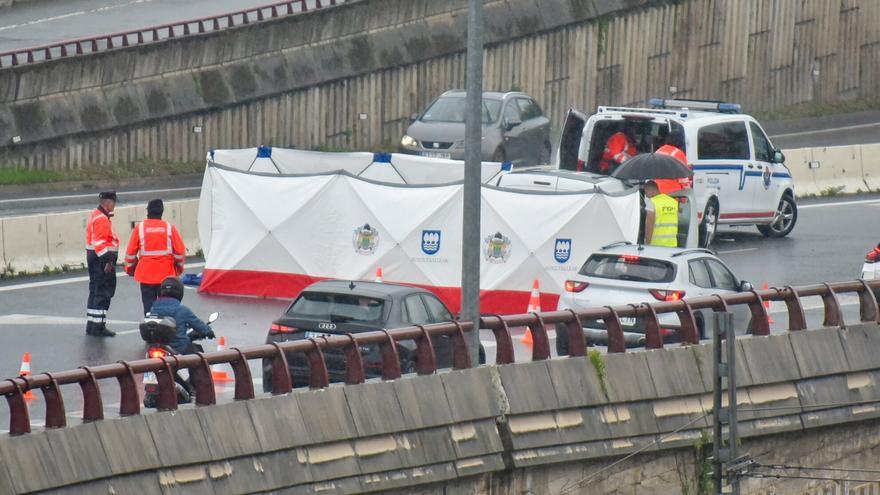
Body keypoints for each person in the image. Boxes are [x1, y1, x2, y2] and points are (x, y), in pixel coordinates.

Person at [125, 199, 187, 315]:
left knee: (149, 308)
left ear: (148, 212)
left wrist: (131, 269)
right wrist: (178, 269)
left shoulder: (140, 228)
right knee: (166, 307)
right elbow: (180, 252)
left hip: (146, 275)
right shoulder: (169, 228)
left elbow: (130, 254)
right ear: (162, 212)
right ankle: (165, 328)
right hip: (166, 275)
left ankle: (150, 327)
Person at [148, 277, 214, 354]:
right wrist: (208, 331)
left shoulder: (153, 309)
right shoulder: (182, 310)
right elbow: (199, 325)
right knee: (199, 355)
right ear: (179, 292)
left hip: (158, 347)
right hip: (179, 347)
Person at [85, 192, 119, 337]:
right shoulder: (102, 219)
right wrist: (108, 262)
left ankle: (92, 325)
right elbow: (100, 244)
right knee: (103, 293)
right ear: (107, 203)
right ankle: (98, 327)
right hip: (101, 261)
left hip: (94, 259)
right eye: (114, 202)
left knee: (95, 291)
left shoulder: (96, 215)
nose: (115, 205)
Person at [644, 180, 679, 247]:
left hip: (656, 245)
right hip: (672, 244)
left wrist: (647, 243)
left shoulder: (652, 202)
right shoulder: (673, 202)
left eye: (646, 192)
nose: (646, 195)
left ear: (650, 190)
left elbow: (649, 226)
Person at [655, 128, 689, 193]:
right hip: (672, 192)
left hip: (657, 191)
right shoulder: (678, 153)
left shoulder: (659, 151)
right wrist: (687, 191)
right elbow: (683, 178)